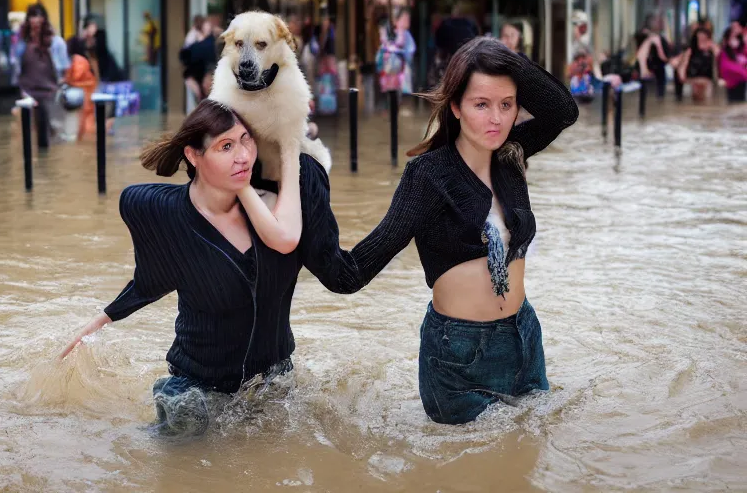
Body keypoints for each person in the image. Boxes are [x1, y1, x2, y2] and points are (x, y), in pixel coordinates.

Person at [310, 37, 579, 424]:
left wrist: (506, 60)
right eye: (481, 104)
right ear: (455, 106)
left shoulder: (512, 153)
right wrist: (304, 214)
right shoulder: (428, 175)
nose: (497, 119)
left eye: (507, 105)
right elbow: (352, 274)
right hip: (457, 357)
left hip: (523, 338)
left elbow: (562, 111)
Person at [59, 100, 357, 437]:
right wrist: (102, 320)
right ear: (193, 156)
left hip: (274, 383)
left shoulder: (282, 210)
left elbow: (337, 266)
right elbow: (152, 278)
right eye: (225, 146)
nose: (243, 155)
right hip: (193, 389)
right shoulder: (165, 213)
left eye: (247, 140)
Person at [13, 3, 71, 146]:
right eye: (33, 16)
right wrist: (22, 93)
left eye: (39, 16)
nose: (36, 20)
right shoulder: (21, 44)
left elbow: (65, 71)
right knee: (27, 141)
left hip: (50, 94)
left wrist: (59, 91)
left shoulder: (56, 43)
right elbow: (16, 70)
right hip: (28, 96)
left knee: (54, 139)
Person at [676, 27, 719, 102]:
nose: (701, 41)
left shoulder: (712, 50)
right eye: (699, 39)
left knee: (707, 98)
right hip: (692, 78)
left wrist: (712, 46)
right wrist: (682, 78)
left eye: (704, 39)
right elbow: (683, 65)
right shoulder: (690, 51)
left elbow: (719, 59)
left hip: (707, 79)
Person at [718, 24, 747, 102]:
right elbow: (725, 66)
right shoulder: (724, 51)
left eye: (736, 37)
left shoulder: (742, 49)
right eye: (732, 37)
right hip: (732, 82)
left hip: (742, 82)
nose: (734, 40)